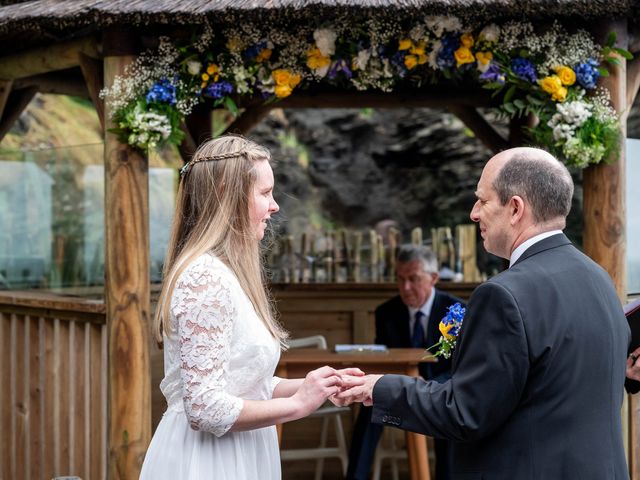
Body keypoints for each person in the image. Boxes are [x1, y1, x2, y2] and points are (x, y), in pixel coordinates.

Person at [335, 147, 630, 479]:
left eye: (483, 200)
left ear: (515, 208)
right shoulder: (599, 277)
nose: (474, 213)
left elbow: (464, 412)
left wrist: (380, 388)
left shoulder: (504, 295)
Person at [140, 135, 363, 480]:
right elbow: (204, 407)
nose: (274, 206)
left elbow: (243, 382)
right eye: (265, 193)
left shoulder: (225, 273)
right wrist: (297, 405)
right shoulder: (205, 278)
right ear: (228, 193)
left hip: (240, 455)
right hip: (207, 463)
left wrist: (313, 386)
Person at [346, 244, 463, 480]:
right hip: (400, 387)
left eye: (413, 279)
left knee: (451, 412)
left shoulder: (455, 311)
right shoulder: (386, 312)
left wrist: (429, 385)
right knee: (370, 405)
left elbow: (457, 367)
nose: (406, 287)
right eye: (400, 279)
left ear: (433, 278)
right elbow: (383, 361)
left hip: (440, 389)